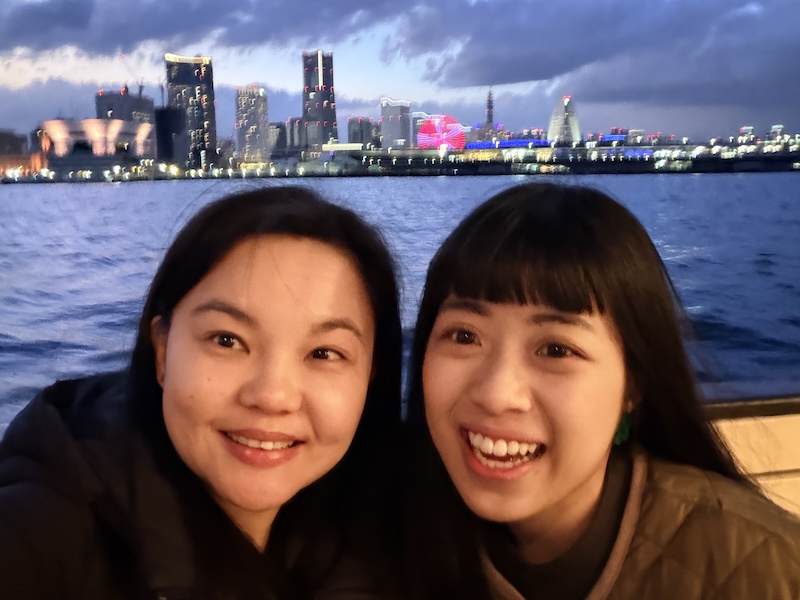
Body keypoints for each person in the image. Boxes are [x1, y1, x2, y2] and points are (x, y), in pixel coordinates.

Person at [0, 185, 403, 599]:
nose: (272, 396)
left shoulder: (380, 530)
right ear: (162, 351)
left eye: (324, 353)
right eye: (227, 340)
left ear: (370, 377)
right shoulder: (49, 524)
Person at [403, 182, 800, 600]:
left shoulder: (763, 569)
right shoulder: (394, 537)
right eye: (464, 336)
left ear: (633, 384)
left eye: (556, 350)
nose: (496, 394)